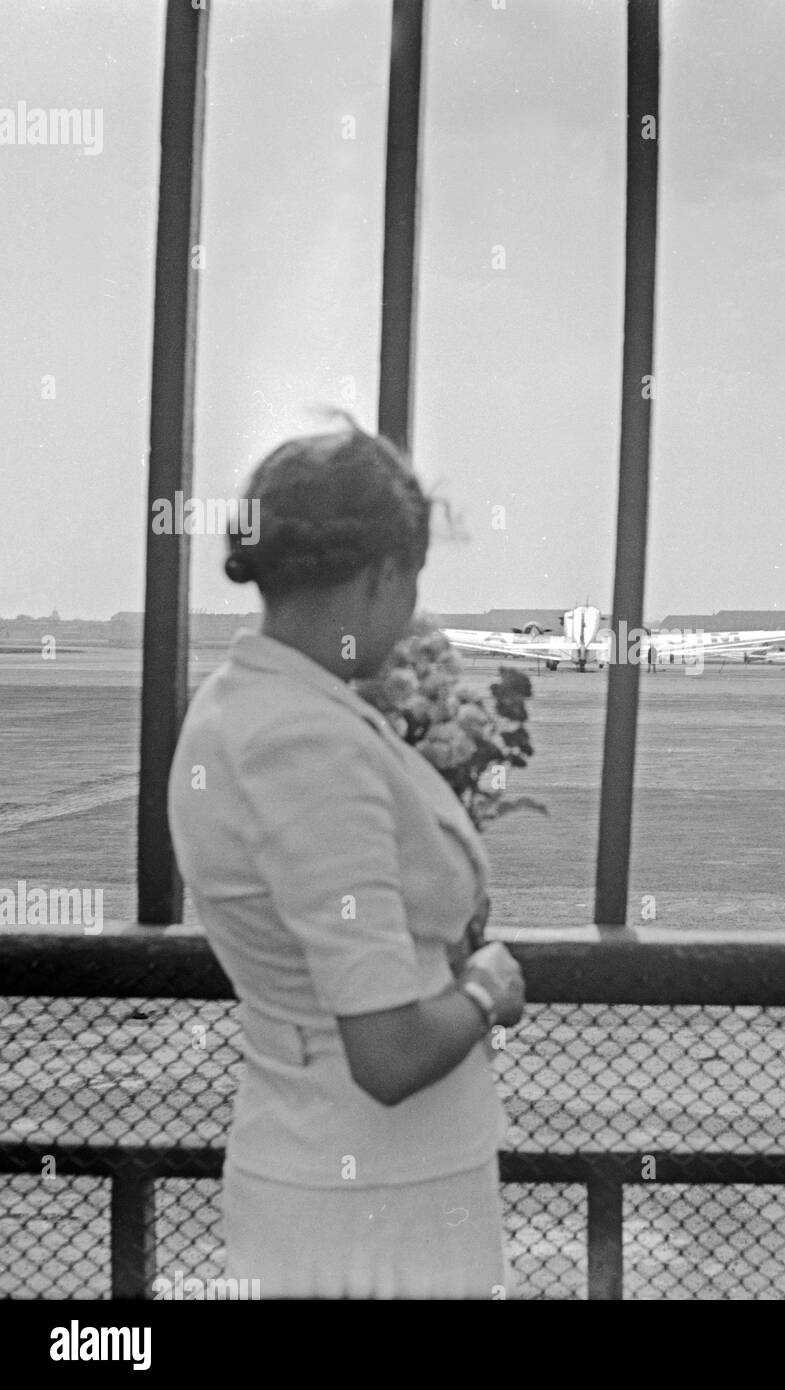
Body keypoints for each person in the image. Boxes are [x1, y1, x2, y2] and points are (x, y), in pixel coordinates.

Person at [167, 419, 525, 1298]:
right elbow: (389, 1051)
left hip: (322, 1178)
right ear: (384, 574)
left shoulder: (239, 708)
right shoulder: (307, 742)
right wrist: (489, 989)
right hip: (378, 1222)